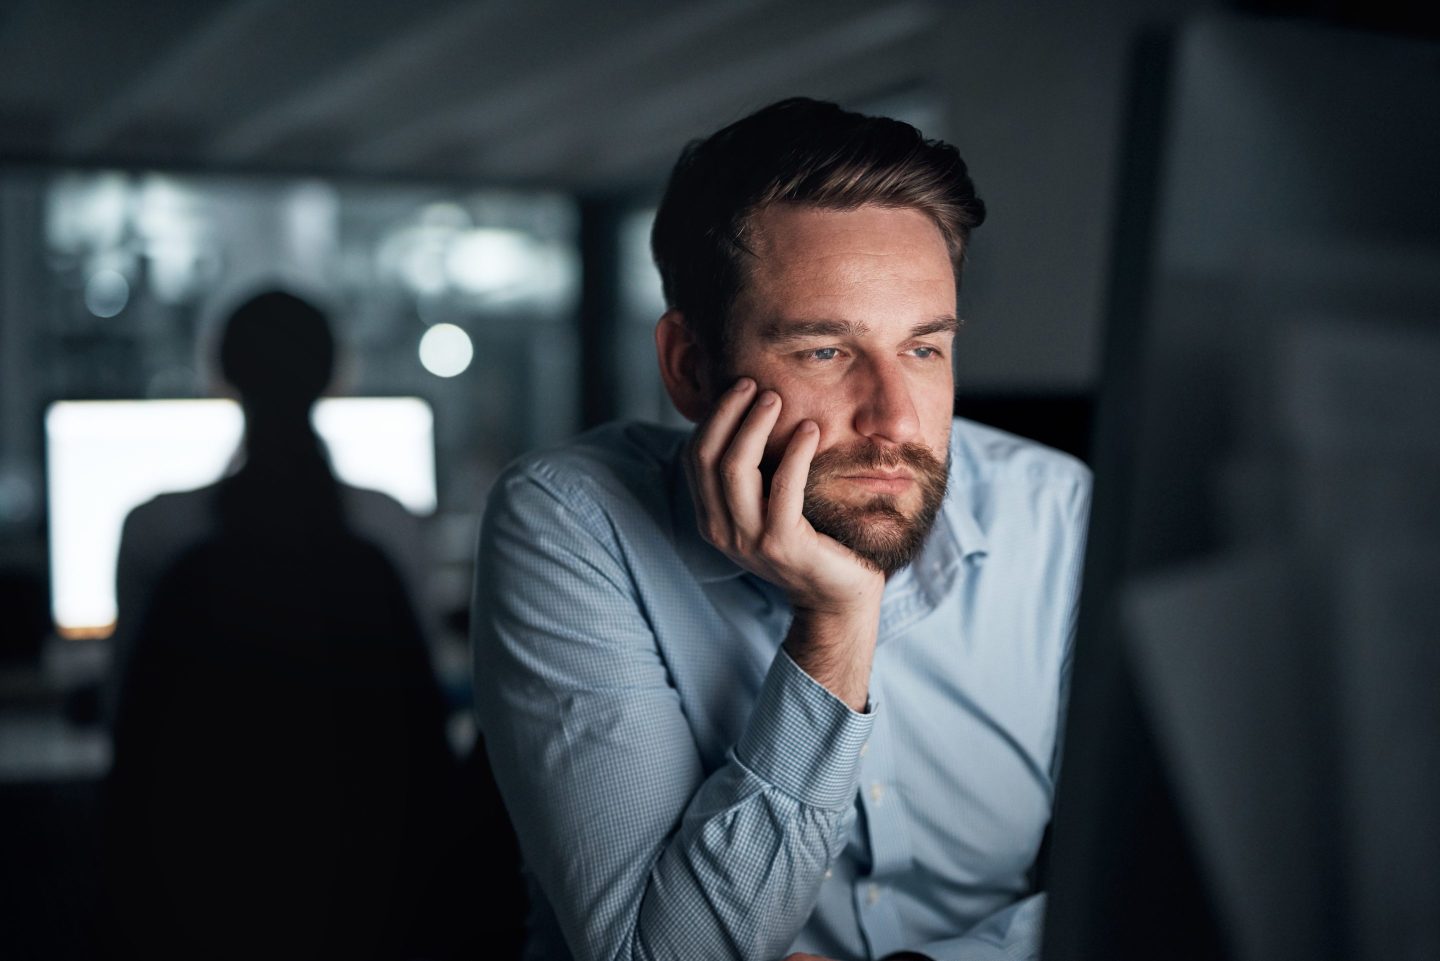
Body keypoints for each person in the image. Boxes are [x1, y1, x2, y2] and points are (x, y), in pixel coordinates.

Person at [473, 98, 1091, 961]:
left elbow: (1145, 884)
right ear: (690, 367)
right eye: (825, 351)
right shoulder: (574, 519)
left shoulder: (1057, 513)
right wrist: (836, 626)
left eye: (924, 348)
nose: (895, 420)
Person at [104, 291, 455, 960]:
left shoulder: (154, 529)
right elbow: (420, 727)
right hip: (371, 900)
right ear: (337, 376)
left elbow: (130, 726)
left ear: (219, 374)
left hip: (197, 897)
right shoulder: (392, 527)